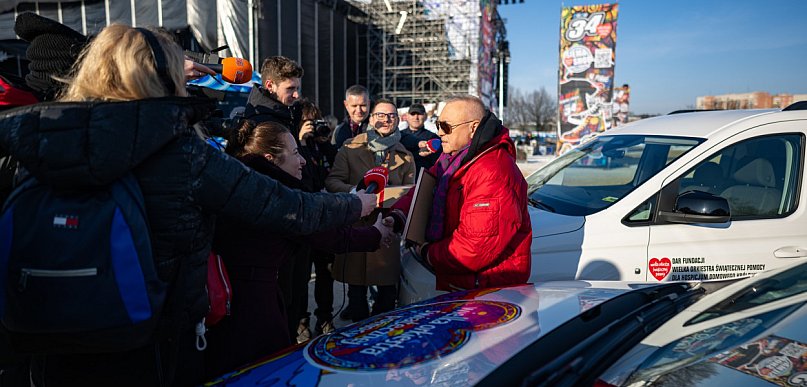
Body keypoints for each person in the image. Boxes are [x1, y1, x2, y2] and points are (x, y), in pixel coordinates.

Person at [0, 24, 376, 386]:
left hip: (50, 340)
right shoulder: (179, 151)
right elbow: (284, 206)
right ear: (160, 76)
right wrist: (354, 204)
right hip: (153, 341)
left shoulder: (38, 138)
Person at [206, 120, 395, 377]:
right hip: (252, 308)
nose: (303, 160)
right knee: (263, 373)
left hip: (239, 298)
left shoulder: (243, 180)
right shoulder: (274, 195)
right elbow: (326, 234)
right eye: (295, 153)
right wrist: (376, 234)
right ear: (271, 159)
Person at [390, 95, 532, 291]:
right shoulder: (452, 158)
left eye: (446, 127)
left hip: (486, 289)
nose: (439, 132)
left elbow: (474, 248)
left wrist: (429, 253)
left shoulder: (493, 171)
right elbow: (423, 191)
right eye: (438, 125)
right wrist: (398, 216)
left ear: (473, 128)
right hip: (461, 280)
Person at [326, 98, 416, 321]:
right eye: (380, 115)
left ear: (398, 120)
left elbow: (411, 192)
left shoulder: (405, 156)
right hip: (356, 226)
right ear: (371, 118)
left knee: (387, 297)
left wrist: (393, 199)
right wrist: (356, 194)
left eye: (392, 116)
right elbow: (333, 181)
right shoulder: (350, 147)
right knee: (356, 293)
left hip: (387, 229)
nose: (386, 120)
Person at [243, 56, 302, 131]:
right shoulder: (262, 124)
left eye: (297, 88)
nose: (296, 95)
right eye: (290, 88)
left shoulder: (289, 114)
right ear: (270, 86)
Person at [399, 103, 440, 173]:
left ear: (425, 116)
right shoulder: (399, 136)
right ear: (407, 116)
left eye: (419, 114)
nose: (416, 117)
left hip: (421, 176)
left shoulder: (432, 138)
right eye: (413, 114)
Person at [332, 84, 370, 149]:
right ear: (346, 105)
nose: (359, 110)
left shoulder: (378, 128)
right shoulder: (339, 130)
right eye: (354, 106)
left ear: (368, 104)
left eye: (363, 105)